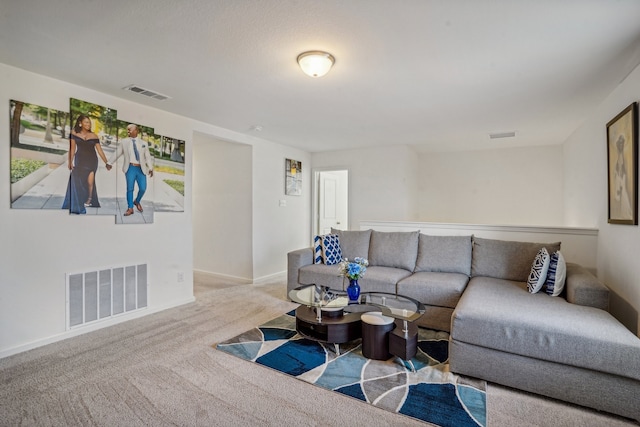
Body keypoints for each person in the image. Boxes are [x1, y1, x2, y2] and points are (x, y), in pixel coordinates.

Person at [62, 115, 109, 214]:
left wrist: (107, 162)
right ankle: (77, 200)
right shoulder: (74, 133)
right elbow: (72, 149)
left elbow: (100, 151)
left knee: (90, 182)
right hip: (79, 161)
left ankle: (89, 199)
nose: (88, 124)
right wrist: (70, 162)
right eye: (86, 122)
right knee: (78, 182)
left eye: (89, 122)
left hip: (92, 161)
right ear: (80, 123)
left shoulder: (94, 135)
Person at [106, 124, 154, 216]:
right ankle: (130, 208)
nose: (128, 132)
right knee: (130, 189)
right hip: (130, 168)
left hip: (141, 168)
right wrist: (110, 162)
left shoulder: (144, 143)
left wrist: (151, 168)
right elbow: (118, 152)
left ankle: (137, 201)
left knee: (143, 188)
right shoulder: (124, 142)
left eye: (130, 130)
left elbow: (147, 157)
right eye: (127, 130)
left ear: (136, 131)